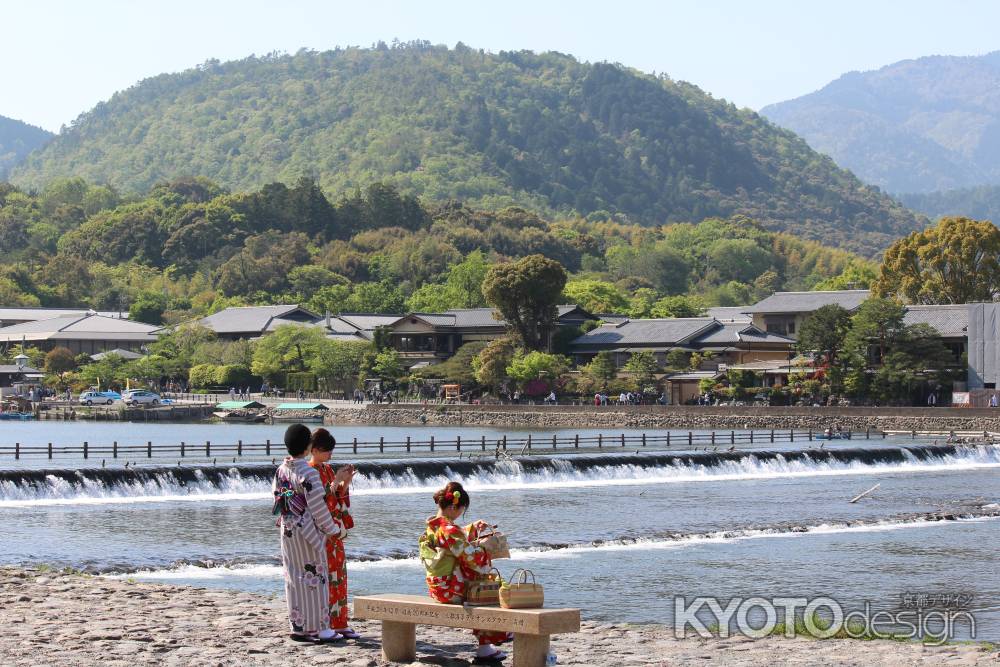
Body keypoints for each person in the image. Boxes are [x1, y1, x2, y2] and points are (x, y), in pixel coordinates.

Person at [272, 424, 347, 644]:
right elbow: (318, 508)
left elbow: (277, 498)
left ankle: (298, 625)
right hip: (307, 532)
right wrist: (333, 530)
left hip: (287, 528)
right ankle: (320, 628)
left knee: (293, 577)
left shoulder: (281, 470)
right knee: (316, 578)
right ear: (307, 447)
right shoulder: (308, 473)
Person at [420, 481, 509, 662]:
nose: (461, 513)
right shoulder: (449, 529)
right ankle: (492, 640)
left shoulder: (434, 525)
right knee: (489, 589)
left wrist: (473, 527)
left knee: (484, 583)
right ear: (453, 506)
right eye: (461, 509)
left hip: (438, 585)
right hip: (450, 589)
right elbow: (469, 556)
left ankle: (486, 645)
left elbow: (455, 540)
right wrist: (485, 548)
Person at [308, 428, 361, 639]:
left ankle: (340, 622)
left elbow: (336, 495)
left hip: (335, 531)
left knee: (340, 576)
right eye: (326, 450)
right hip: (322, 531)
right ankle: (328, 622)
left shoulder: (328, 469)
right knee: (328, 578)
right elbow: (318, 501)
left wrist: (345, 482)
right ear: (314, 450)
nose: (330, 454)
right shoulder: (310, 471)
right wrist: (335, 482)